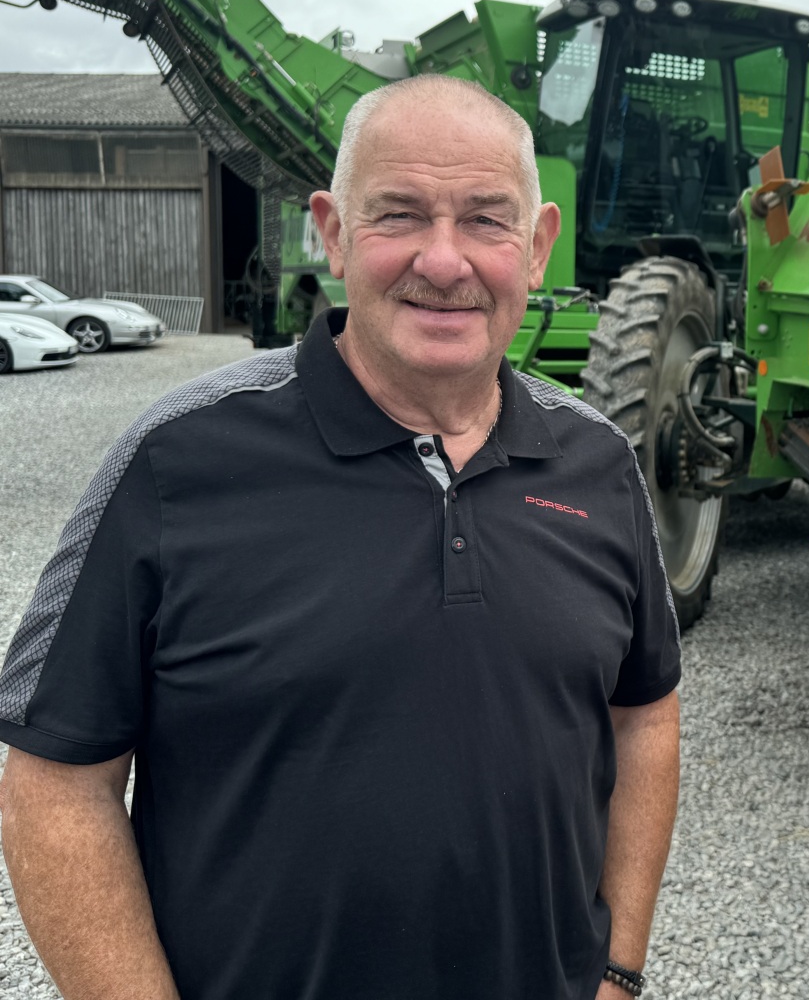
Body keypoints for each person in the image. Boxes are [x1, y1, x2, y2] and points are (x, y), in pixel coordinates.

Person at [0, 75, 681, 1000]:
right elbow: (55, 780)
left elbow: (644, 715)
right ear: (331, 230)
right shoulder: (177, 458)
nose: (444, 261)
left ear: (536, 245)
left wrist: (618, 969)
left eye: (486, 220)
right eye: (399, 214)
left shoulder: (597, 463)